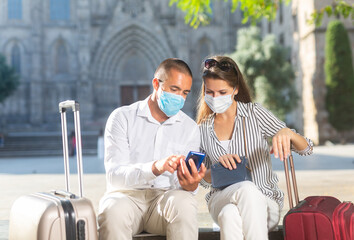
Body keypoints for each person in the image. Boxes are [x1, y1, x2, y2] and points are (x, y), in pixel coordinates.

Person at [197, 56, 313, 240]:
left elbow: (306, 148)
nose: (215, 98)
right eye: (209, 92)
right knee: (245, 191)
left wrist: (287, 133)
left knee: (230, 215)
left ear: (235, 89)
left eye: (222, 92)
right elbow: (202, 179)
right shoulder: (202, 128)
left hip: (265, 201)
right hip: (221, 198)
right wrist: (217, 168)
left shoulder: (254, 113)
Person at [98, 58, 206, 240]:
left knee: (185, 204)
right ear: (156, 84)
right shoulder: (122, 118)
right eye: (174, 89)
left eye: (185, 92)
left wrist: (191, 183)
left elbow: (186, 188)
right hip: (126, 197)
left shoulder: (189, 127)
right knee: (112, 212)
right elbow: (114, 175)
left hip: (165, 199)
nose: (179, 97)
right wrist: (155, 167)